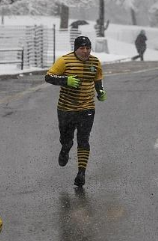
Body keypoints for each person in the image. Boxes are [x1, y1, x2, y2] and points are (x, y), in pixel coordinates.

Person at [44, 36, 106, 187]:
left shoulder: (95, 62)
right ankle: (65, 148)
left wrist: (100, 91)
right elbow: (48, 77)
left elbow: (97, 79)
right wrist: (66, 81)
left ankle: (81, 173)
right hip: (66, 108)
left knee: (84, 140)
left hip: (87, 108)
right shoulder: (64, 61)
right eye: (82, 48)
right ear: (76, 49)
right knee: (66, 139)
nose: (85, 51)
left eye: (88, 48)